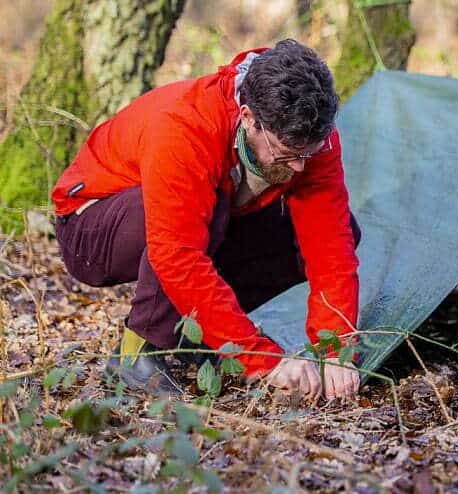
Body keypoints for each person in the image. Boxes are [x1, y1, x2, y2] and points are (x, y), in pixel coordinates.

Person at [51, 39, 362, 400]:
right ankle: (138, 352)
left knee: (343, 231)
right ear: (249, 118)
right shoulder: (186, 125)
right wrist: (261, 359)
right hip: (92, 226)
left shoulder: (311, 138)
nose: (299, 167)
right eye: (287, 154)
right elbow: (176, 254)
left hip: (202, 220)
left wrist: (335, 351)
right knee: (211, 208)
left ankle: (195, 331)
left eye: (308, 154)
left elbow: (330, 246)